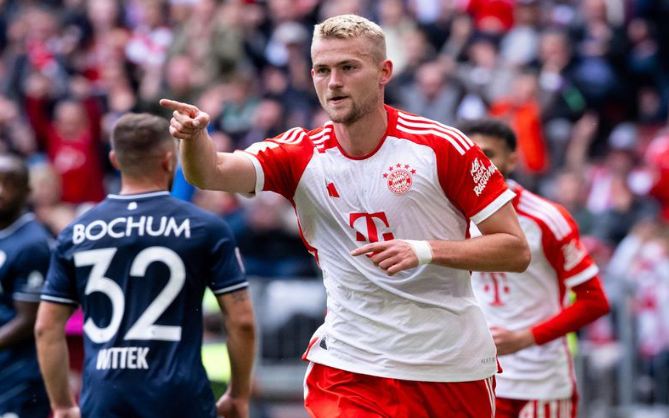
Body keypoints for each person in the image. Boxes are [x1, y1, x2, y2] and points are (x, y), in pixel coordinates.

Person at [162, 14, 531, 418]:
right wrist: (195, 138)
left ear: (383, 72)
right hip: (350, 366)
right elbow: (210, 172)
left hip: (448, 365)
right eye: (322, 70)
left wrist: (424, 251)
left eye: (348, 68)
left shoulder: (442, 147)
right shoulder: (299, 153)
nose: (333, 81)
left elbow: (515, 250)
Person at [35, 113, 256, 418]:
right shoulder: (205, 228)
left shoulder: (76, 232)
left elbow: (46, 328)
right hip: (180, 398)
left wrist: (61, 406)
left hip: (104, 398)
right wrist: (238, 395)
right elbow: (241, 321)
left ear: (114, 160)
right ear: (169, 161)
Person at [460, 119, 610, 418]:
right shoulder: (451, 218)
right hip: (479, 378)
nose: (480, 164)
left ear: (512, 159)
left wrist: (525, 338)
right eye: (472, 155)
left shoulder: (547, 218)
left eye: (489, 154)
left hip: (540, 383)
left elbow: (595, 301)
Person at [0, 155, 52, 418]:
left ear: (27, 191)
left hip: (18, 377)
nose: (0, 190)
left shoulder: (32, 243)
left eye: (9, 183)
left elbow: (29, 319)